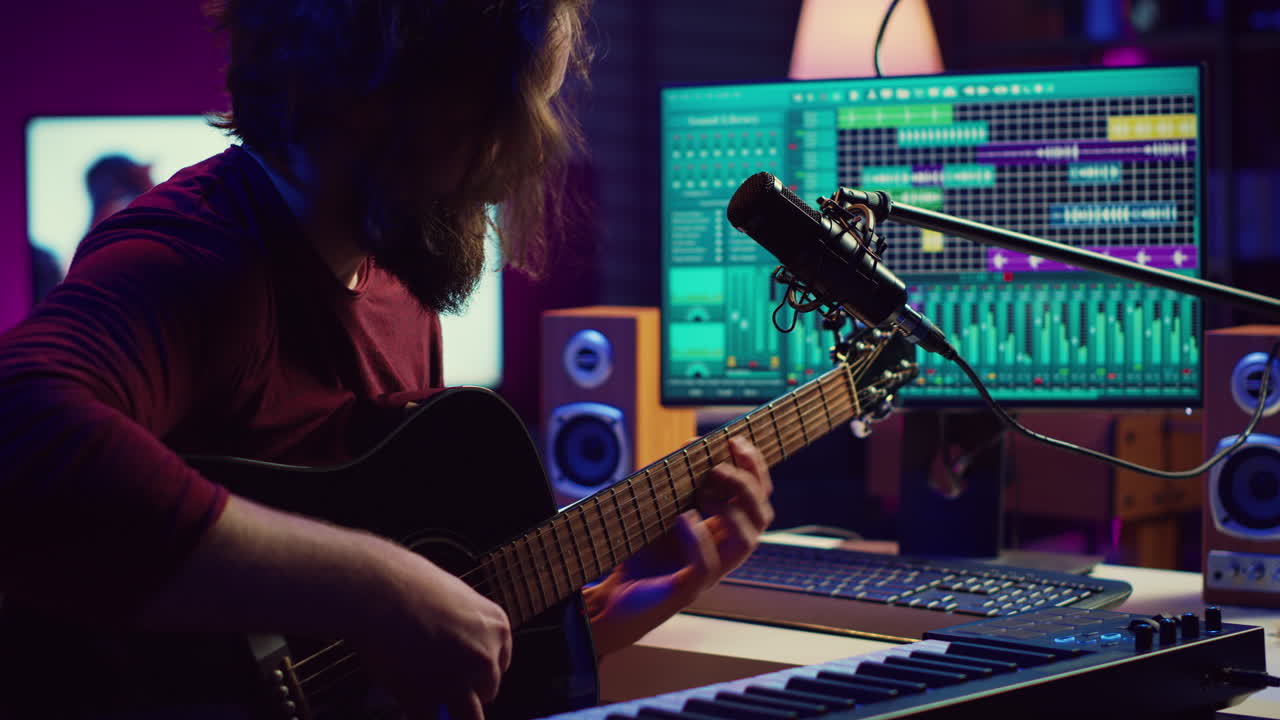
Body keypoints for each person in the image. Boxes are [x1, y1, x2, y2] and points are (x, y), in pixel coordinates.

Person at [0, 1, 774, 718]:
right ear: (372, 93)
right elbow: (19, 429)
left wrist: (612, 610)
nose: (508, 165)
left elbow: (380, 668)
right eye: (496, 115)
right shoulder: (193, 261)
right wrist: (373, 587)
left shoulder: (397, 279)